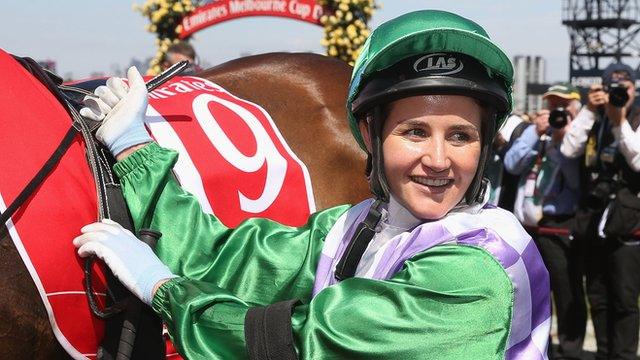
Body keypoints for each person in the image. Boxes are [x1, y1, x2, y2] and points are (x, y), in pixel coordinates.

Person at [74, 10, 551, 359]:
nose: (439, 160)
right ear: (369, 135)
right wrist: (135, 148)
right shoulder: (357, 225)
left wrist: (164, 289)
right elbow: (230, 259)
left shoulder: (478, 272)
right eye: (415, 132)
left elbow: (299, 344)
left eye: (462, 136)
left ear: (484, 146)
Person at [561, 63, 640, 360]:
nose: (620, 94)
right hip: (593, 218)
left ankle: (624, 356)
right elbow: (569, 150)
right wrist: (589, 111)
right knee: (597, 295)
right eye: (613, 89)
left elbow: (638, 161)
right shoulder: (594, 117)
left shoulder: (636, 117)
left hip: (628, 223)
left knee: (624, 299)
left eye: (626, 88)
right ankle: (604, 354)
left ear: (634, 88)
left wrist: (619, 121)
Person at [504, 83, 585, 359]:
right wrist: (534, 132)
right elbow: (512, 164)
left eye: (562, 106)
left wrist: (563, 140)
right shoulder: (535, 134)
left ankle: (570, 350)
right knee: (534, 293)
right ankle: (539, 347)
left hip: (559, 224)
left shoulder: (575, 139)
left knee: (566, 291)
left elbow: (576, 180)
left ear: (575, 109)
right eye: (551, 106)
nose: (555, 112)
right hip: (528, 226)